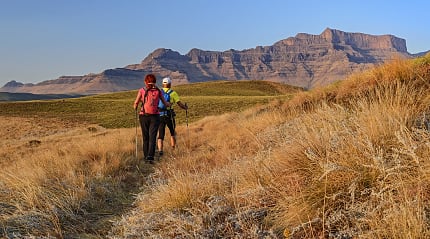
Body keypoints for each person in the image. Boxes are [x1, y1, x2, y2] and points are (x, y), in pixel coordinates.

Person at [133, 74, 170, 163]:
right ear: (155, 81)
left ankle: (146, 157)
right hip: (155, 116)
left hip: (143, 116)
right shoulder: (158, 91)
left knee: (145, 137)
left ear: (145, 81)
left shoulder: (142, 90)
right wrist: (169, 105)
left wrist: (135, 107)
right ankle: (150, 156)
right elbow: (165, 103)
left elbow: (136, 103)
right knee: (152, 137)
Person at [157, 77, 188, 156]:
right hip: (169, 115)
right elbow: (179, 104)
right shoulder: (173, 93)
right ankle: (173, 148)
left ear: (163, 84)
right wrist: (185, 108)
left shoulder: (158, 93)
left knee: (160, 134)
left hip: (159, 115)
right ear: (170, 84)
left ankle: (160, 150)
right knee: (172, 132)